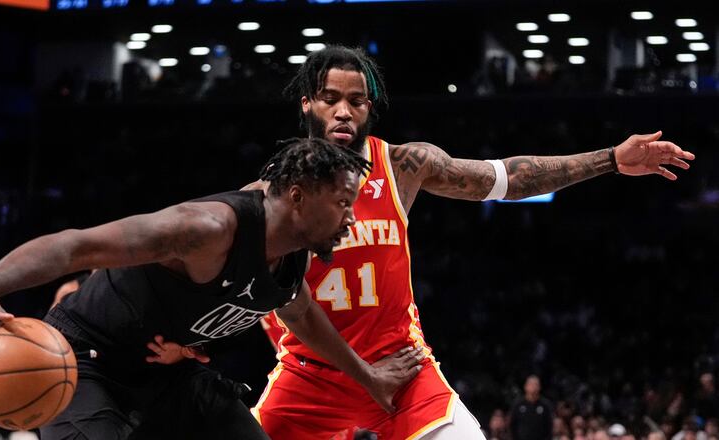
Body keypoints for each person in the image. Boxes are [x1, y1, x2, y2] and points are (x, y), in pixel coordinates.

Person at [245, 45, 695, 439]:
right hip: (311, 377)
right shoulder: (269, 198)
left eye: (356, 101)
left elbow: (509, 178)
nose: (344, 111)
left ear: (369, 108)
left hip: (402, 368)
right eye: (331, 99)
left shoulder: (403, 165)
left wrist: (612, 159)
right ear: (307, 105)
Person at [0, 138, 424, 439]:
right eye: (343, 201)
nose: (351, 217)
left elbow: (304, 318)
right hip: (85, 363)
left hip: (165, 376)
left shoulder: (291, 260)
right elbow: (75, 248)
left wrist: (368, 376)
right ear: (297, 197)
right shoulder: (206, 230)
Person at [509, 375, 554, 440]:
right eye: (531, 384)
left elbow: (549, 426)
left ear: (539, 387)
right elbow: (512, 425)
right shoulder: (518, 404)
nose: (533, 387)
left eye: (536, 384)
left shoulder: (545, 405)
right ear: (525, 387)